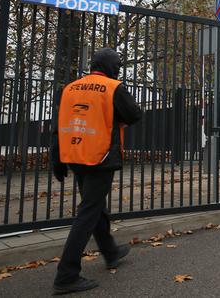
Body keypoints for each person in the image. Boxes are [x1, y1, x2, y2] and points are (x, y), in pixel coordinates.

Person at [51, 48, 142, 294]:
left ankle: (110, 251)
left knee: (94, 204)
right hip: (100, 157)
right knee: (88, 212)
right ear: (111, 67)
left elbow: (59, 125)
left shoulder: (70, 88)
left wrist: (56, 160)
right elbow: (134, 114)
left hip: (74, 155)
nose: (119, 70)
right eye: (118, 66)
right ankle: (66, 275)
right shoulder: (113, 87)